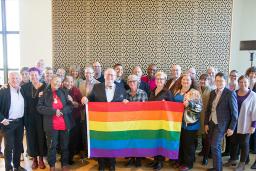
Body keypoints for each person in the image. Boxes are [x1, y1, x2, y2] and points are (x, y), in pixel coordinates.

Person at [81, 68, 127, 171]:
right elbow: (90, 98)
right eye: (108, 75)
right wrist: (85, 99)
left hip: (114, 123)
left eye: (112, 75)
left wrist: (125, 102)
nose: (110, 77)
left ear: (115, 77)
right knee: (101, 142)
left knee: (112, 143)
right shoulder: (97, 87)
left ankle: (112, 164)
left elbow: (124, 101)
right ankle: (101, 163)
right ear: (104, 76)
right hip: (100, 122)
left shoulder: (121, 89)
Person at [37, 75, 73, 171]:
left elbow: (70, 105)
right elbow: (39, 107)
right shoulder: (44, 93)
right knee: (52, 146)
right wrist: (54, 111)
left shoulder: (64, 92)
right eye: (55, 81)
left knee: (64, 145)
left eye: (59, 81)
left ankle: (64, 164)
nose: (57, 83)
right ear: (51, 81)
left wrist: (63, 111)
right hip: (51, 125)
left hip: (64, 124)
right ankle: (52, 165)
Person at [204, 72, 238, 171]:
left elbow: (235, 113)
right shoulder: (212, 93)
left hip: (222, 124)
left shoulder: (230, 93)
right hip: (211, 122)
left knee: (215, 145)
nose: (219, 82)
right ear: (215, 81)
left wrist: (231, 127)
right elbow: (208, 109)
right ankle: (216, 167)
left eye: (221, 81)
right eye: (217, 80)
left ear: (225, 81)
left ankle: (218, 169)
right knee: (214, 145)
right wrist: (206, 123)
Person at [224, 75, 256, 171]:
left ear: (248, 83)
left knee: (244, 143)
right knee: (233, 142)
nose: (243, 84)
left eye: (245, 82)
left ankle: (242, 164)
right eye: (241, 82)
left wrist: (253, 125)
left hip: (246, 123)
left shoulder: (253, 95)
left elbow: (255, 111)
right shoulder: (234, 93)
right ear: (238, 83)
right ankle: (233, 159)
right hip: (234, 123)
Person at [172, 74, 202, 171]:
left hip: (190, 124)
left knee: (188, 144)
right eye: (184, 79)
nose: (185, 81)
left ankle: (188, 164)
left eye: (188, 80)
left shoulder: (195, 93)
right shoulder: (177, 91)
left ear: (191, 81)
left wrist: (190, 104)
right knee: (180, 143)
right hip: (177, 123)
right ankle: (180, 161)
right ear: (180, 81)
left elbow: (199, 108)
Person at [0, 72, 26, 171]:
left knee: (18, 145)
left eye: (16, 78)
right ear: (9, 79)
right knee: (9, 147)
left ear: (20, 80)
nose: (15, 80)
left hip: (19, 123)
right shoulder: (3, 91)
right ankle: (8, 168)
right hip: (8, 123)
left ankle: (17, 166)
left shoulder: (21, 90)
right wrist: (2, 119)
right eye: (12, 78)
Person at [22, 67, 47, 169]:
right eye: (31, 75)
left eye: (35, 75)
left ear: (39, 75)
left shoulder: (45, 87)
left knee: (41, 138)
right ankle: (35, 159)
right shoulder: (25, 87)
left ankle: (41, 159)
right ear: (29, 76)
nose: (33, 77)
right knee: (31, 138)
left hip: (42, 117)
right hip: (29, 117)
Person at [148, 71, 174, 170]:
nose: (159, 80)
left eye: (161, 79)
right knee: (154, 141)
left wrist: (166, 104)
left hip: (162, 122)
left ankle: (160, 162)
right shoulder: (152, 90)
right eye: (157, 79)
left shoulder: (167, 92)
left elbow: (172, 106)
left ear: (164, 81)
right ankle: (155, 160)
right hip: (153, 120)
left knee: (161, 141)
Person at [124, 74, 148, 167]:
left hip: (139, 122)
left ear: (138, 82)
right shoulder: (125, 93)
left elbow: (146, 110)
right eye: (130, 81)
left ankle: (138, 159)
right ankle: (131, 158)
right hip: (128, 122)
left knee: (138, 141)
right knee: (129, 140)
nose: (132, 83)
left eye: (134, 81)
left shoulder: (143, 93)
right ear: (128, 83)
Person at [62, 76, 83, 165]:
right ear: (63, 82)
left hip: (74, 118)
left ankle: (70, 157)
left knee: (72, 139)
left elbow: (82, 105)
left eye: (71, 81)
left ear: (73, 82)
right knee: (63, 139)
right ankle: (64, 158)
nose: (69, 83)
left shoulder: (76, 90)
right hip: (62, 119)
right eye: (67, 81)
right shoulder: (59, 89)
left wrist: (72, 101)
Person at [197, 74, 212, 165]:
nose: (203, 81)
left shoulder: (211, 91)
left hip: (207, 117)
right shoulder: (197, 89)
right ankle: (203, 150)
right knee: (201, 136)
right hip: (198, 116)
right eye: (201, 79)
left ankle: (205, 157)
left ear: (209, 81)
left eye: (205, 80)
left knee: (207, 138)